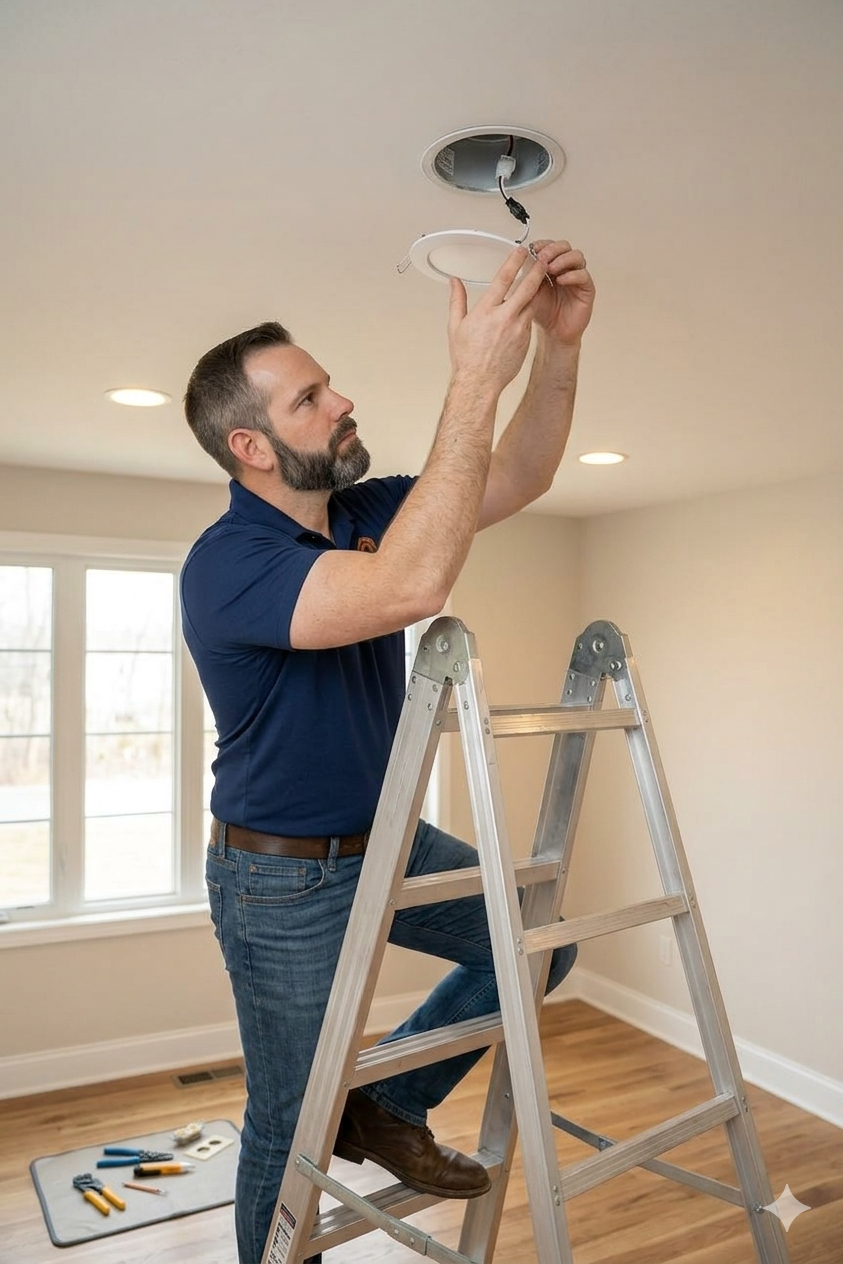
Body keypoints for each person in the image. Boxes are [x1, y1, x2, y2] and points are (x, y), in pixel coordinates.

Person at [180, 239, 595, 1264]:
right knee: (289, 1123)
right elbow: (412, 587)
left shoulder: (360, 513)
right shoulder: (230, 562)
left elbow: (523, 473)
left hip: (387, 841)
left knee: (538, 943)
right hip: (279, 878)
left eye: (330, 386)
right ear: (253, 448)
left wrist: (557, 347)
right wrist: (471, 377)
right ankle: (337, 1136)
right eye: (311, 398)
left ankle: (389, 1100)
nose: (343, 402)